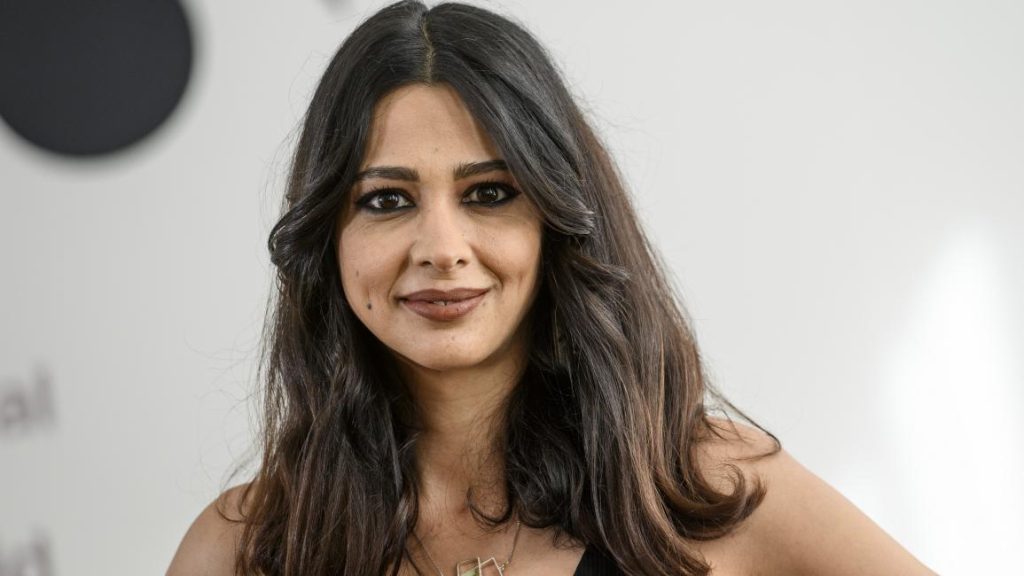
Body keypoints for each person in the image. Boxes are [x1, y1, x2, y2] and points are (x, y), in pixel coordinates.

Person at [167, 2, 937, 575]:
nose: (442, 249)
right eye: (387, 200)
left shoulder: (705, 489)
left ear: (555, 222)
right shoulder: (244, 548)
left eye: (489, 193)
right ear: (326, 235)